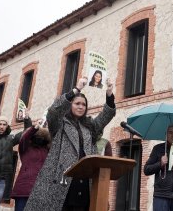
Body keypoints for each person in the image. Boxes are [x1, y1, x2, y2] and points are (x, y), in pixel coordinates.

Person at [24, 77, 116, 211]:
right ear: (70, 105)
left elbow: (105, 116)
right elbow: (53, 111)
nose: (80, 107)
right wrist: (76, 89)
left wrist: (109, 94)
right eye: (77, 103)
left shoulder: (90, 126)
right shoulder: (59, 123)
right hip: (63, 180)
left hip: (85, 179)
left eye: (83, 104)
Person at [11, 118, 51, 211]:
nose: (39, 139)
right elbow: (24, 138)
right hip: (24, 189)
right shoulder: (25, 148)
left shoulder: (47, 150)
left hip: (40, 190)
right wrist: (34, 128)